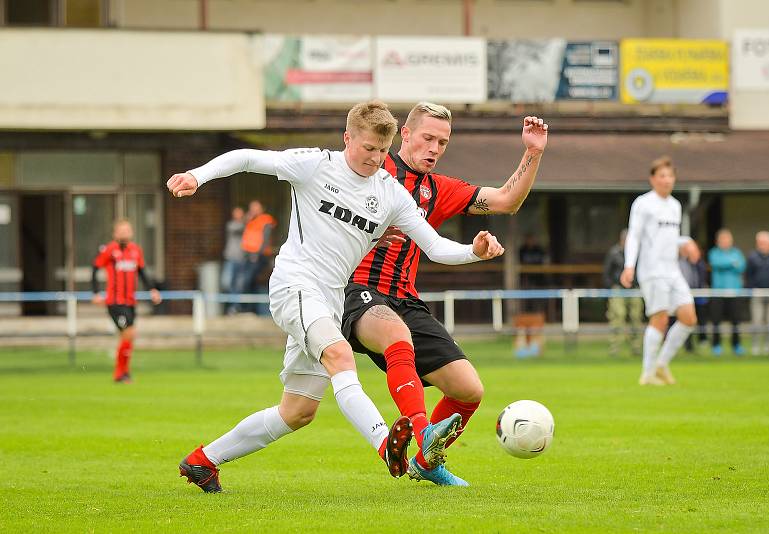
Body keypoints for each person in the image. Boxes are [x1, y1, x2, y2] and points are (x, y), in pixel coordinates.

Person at [167, 100, 505, 493]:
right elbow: (245, 157)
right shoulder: (315, 164)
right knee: (341, 357)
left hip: (327, 299)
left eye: (382, 151)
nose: (376, 158)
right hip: (294, 284)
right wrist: (196, 176)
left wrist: (473, 251)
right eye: (368, 149)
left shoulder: (390, 193)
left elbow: (434, 247)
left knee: (297, 412)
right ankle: (386, 446)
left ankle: (203, 461)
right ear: (348, 139)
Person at [341, 102, 547, 486]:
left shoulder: (439, 189)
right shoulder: (371, 166)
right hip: (354, 290)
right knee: (393, 337)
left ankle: (425, 461)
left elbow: (506, 200)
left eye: (442, 142)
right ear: (404, 134)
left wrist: (532, 153)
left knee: (469, 390)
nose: (434, 148)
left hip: (405, 299)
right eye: (427, 138)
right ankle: (422, 432)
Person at [620, 156, 698, 386]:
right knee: (660, 320)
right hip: (652, 271)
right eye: (662, 176)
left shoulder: (675, 205)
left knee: (688, 318)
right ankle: (647, 374)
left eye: (670, 176)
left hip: (673, 270)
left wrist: (686, 242)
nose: (667, 180)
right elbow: (634, 235)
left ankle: (661, 365)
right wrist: (629, 265)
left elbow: (668, 238)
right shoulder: (643, 203)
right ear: (652, 179)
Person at [91, 219, 162, 383]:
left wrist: (152, 290)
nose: (124, 233)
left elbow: (142, 272)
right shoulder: (110, 250)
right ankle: (120, 373)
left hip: (130, 302)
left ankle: (124, 372)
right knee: (129, 333)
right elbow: (95, 268)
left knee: (128, 336)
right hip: (115, 302)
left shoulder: (136, 250)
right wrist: (95, 293)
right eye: (121, 230)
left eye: (127, 230)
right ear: (115, 233)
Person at [603, 229, 643, 357]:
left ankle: (636, 348)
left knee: (636, 317)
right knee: (618, 316)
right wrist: (612, 287)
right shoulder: (614, 252)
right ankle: (615, 349)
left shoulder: (637, 252)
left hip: (634, 288)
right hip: (618, 289)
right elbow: (607, 273)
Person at [707, 228, 746, 356]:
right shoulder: (713, 253)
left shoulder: (737, 252)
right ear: (718, 241)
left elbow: (741, 266)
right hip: (718, 292)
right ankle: (716, 345)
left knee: (736, 320)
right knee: (716, 320)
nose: (725, 241)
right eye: (723, 239)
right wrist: (731, 263)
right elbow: (716, 263)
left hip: (735, 292)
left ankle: (736, 345)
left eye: (728, 239)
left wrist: (730, 265)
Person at [235, 200, 277, 313]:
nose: (253, 210)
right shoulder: (250, 220)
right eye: (252, 208)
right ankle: (250, 309)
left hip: (258, 256)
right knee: (249, 282)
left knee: (248, 281)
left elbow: (266, 238)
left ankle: (247, 309)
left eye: (256, 208)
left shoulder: (266, 219)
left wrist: (258, 254)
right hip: (248, 255)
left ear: (262, 209)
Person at [677, 240, 709, 351]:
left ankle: (702, 340)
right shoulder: (681, 263)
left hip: (699, 297)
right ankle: (688, 345)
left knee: (700, 319)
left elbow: (703, 278)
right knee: (686, 320)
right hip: (685, 296)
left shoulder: (700, 264)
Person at [220, 206, 245, 313]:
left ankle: (236, 307)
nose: (237, 215)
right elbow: (239, 228)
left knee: (239, 284)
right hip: (231, 258)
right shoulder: (231, 225)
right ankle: (233, 306)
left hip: (242, 259)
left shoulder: (247, 225)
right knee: (227, 283)